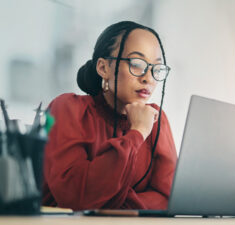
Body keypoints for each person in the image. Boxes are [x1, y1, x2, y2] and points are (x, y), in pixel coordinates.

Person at [42, 21, 177, 210]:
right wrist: (137, 132)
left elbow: (168, 198)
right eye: (136, 64)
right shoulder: (67, 108)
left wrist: (108, 205)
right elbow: (75, 197)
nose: (148, 78)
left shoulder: (156, 119)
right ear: (103, 68)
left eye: (156, 68)